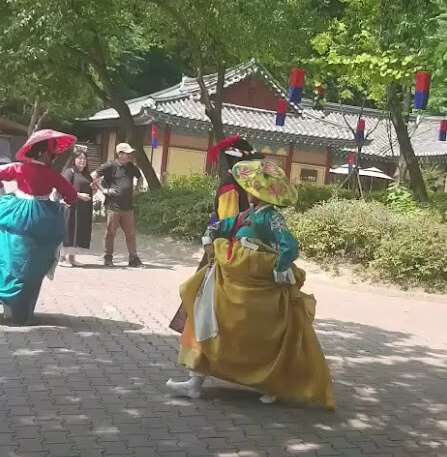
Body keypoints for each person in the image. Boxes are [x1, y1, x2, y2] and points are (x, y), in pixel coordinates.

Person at [166, 160, 336, 408]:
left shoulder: (272, 217)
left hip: (258, 285)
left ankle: (271, 384)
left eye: (251, 189)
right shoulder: (250, 214)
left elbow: (289, 246)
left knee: (259, 335)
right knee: (207, 319)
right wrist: (210, 236)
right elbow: (223, 225)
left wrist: (279, 269)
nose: (247, 192)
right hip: (232, 278)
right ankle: (194, 382)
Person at [169, 135, 263, 333]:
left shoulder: (237, 185)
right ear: (237, 162)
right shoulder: (230, 186)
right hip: (224, 246)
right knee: (214, 291)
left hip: (228, 244)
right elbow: (229, 221)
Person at [0, 129, 91, 325]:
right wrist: (68, 201)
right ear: (42, 153)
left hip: (15, 212)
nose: (54, 156)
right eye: (51, 153)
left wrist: (2, 191)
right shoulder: (52, 175)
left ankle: (8, 303)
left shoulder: (18, 168)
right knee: (34, 265)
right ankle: (21, 311)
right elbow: (70, 194)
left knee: (9, 257)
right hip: (42, 218)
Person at [91, 143, 143, 267]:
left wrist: (137, 189)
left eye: (130, 153)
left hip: (128, 206)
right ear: (120, 154)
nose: (130, 156)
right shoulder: (111, 165)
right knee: (110, 233)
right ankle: (108, 257)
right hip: (113, 206)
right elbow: (93, 175)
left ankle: (133, 258)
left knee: (131, 234)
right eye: (127, 153)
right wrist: (103, 190)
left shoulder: (131, 166)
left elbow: (139, 176)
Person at [60, 150, 93, 267]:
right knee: (69, 231)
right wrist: (79, 195)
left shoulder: (86, 174)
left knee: (78, 232)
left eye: (84, 159)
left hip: (84, 208)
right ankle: (62, 259)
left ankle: (72, 258)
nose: (82, 161)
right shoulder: (69, 172)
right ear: (74, 160)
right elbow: (64, 188)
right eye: (80, 158)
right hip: (71, 207)